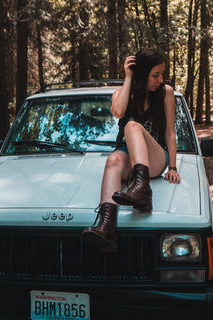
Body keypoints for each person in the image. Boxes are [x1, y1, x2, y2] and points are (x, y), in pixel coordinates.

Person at [82, 48, 181, 252]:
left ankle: (142, 189)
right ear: (142, 74)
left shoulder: (166, 93)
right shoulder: (121, 94)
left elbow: (170, 133)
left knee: (132, 126)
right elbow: (118, 111)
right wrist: (128, 76)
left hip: (155, 159)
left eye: (162, 74)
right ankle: (106, 226)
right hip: (128, 160)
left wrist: (172, 167)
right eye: (156, 75)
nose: (161, 80)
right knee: (113, 160)